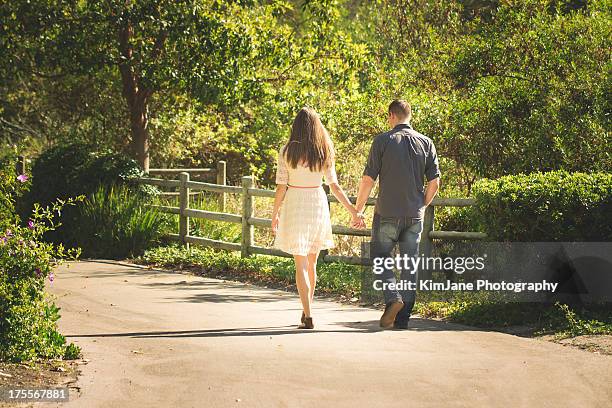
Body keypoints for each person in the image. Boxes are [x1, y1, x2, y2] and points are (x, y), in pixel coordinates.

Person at [353, 100, 441, 329]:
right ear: (409, 116)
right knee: (409, 265)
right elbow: (435, 181)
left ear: (392, 115)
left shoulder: (383, 141)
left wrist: (358, 209)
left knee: (380, 258)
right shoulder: (426, 142)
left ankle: (393, 298)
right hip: (414, 215)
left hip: (387, 214)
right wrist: (422, 204)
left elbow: (367, 180)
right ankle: (403, 320)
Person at [271, 107, 361, 329]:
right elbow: (334, 186)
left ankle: (308, 315)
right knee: (311, 262)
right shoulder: (324, 150)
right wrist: (352, 210)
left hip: (295, 202)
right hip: (317, 202)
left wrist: (274, 214)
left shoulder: (286, 151)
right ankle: (306, 311)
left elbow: (281, 187)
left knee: (300, 262)